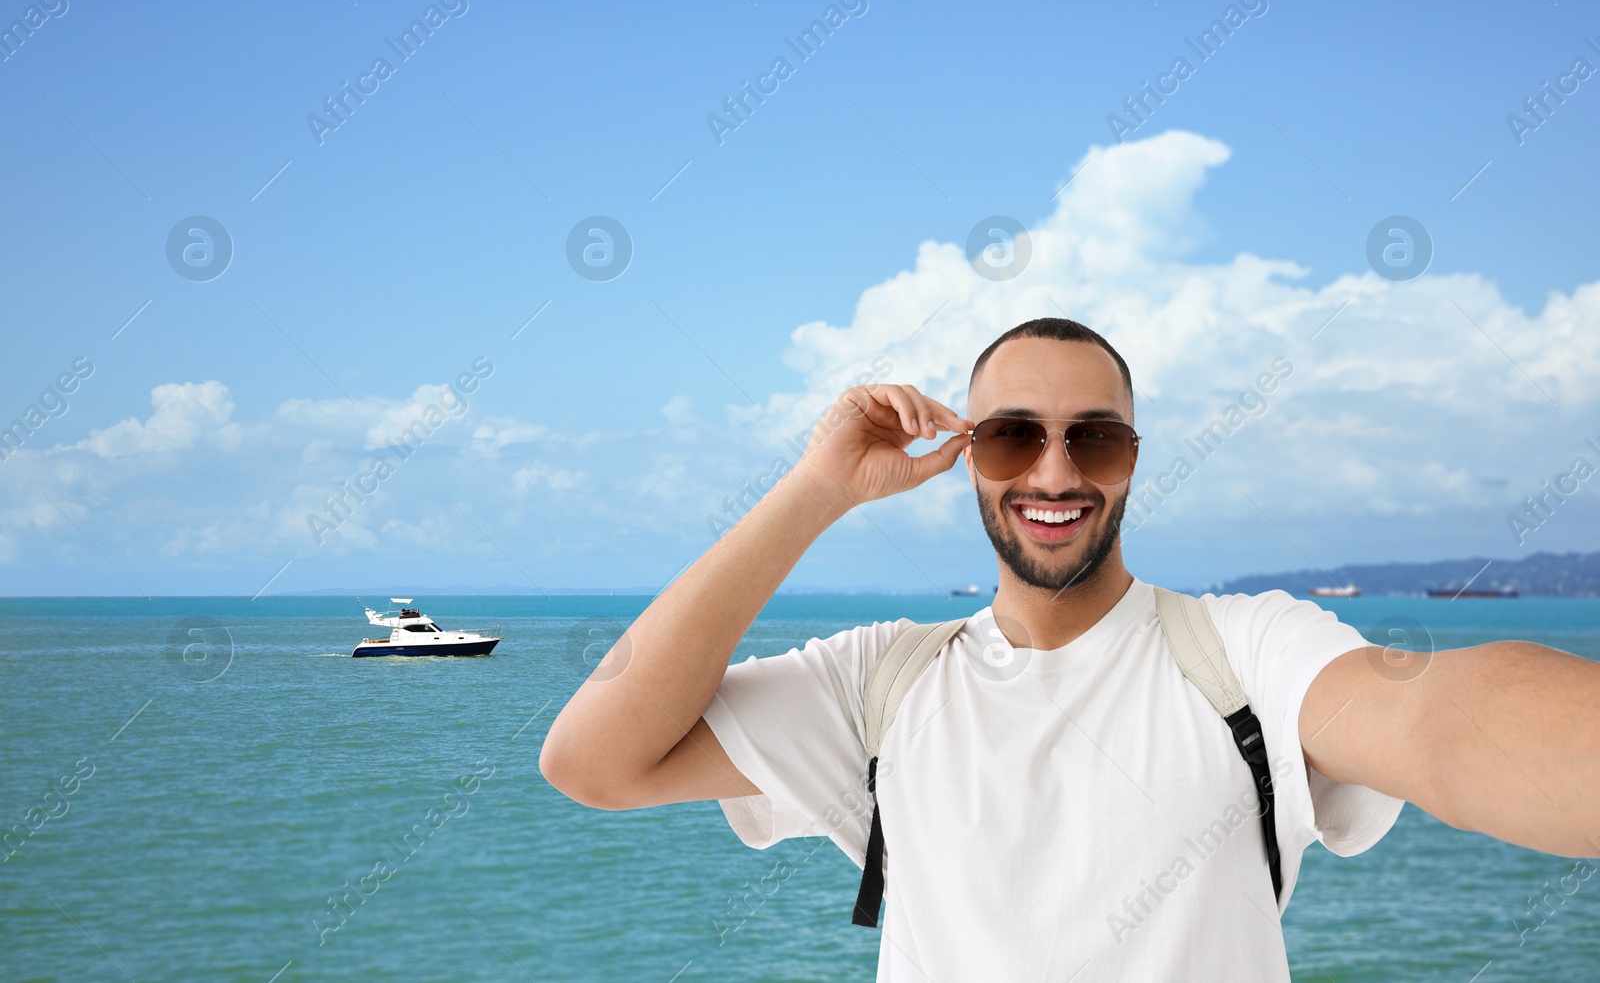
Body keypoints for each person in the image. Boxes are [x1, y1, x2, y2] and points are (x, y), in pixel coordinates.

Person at [540, 317, 1600, 981]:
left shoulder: (1241, 648)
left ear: (1132, 460)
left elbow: (1436, 721)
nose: (1054, 471)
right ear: (964, 456)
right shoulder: (878, 680)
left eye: (1094, 435)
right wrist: (818, 487)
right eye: (1011, 435)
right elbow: (594, 757)